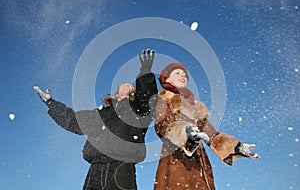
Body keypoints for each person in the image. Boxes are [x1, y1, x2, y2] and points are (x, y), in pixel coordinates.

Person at [34, 49, 158, 190]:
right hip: (95, 171)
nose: (128, 85)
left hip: (122, 170)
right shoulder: (101, 113)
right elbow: (74, 121)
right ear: (116, 94)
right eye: (123, 86)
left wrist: (145, 72)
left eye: (131, 87)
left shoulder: (139, 111)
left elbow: (147, 97)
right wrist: (52, 104)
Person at [153, 62, 260, 190]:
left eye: (184, 75)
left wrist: (235, 147)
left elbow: (211, 134)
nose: (183, 76)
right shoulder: (163, 99)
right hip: (176, 159)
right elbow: (163, 124)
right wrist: (186, 133)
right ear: (167, 79)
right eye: (177, 73)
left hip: (199, 162)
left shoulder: (195, 107)